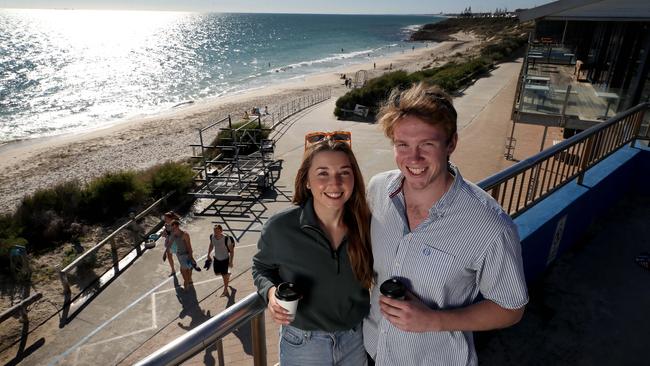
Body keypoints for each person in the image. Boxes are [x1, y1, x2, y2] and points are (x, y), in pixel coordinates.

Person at [363, 82, 528, 365]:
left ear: (451, 143)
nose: (413, 158)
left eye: (427, 144)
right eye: (402, 145)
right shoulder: (378, 189)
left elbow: (511, 308)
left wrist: (433, 320)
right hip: (372, 351)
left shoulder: (489, 225)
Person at [252, 133, 373, 366]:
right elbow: (261, 267)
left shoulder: (366, 225)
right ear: (307, 180)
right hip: (303, 345)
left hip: (355, 340)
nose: (335, 183)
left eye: (344, 173)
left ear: (354, 178)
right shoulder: (281, 227)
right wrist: (270, 294)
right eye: (323, 173)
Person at [207, 225, 236, 297]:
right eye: (214, 231)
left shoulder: (226, 239)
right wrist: (208, 254)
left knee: (223, 276)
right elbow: (211, 245)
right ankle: (227, 275)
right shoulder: (212, 237)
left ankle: (225, 290)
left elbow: (231, 251)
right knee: (217, 273)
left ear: (221, 231)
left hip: (225, 259)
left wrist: (231, 261)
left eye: (217, 231)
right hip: (216, 258)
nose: (215, 233)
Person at [167, 220, 197, 290]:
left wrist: (191, 257)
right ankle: (189, 281)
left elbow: (189, 247)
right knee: (187, 270)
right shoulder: (174, 235)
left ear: (177, 226)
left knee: (183, 271)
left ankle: (186, 287)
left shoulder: (185, 235)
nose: (173, 229)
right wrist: (165, 253)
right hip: (179, 255)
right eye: (172, 228)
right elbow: (170, 244)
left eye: (174, 228)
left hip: (185, 255)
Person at [161, 211, 180, 276]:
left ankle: (185, 266)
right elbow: (165, 234)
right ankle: (173, 270)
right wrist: (164, 233)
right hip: (169, 241)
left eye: (166, 218)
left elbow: (174, 235)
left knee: (179, 255)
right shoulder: (166, 225)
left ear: (170, 218)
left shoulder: (174, 224)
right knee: (169, 256)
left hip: (175, 242)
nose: (164, 219)